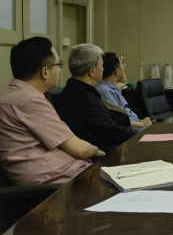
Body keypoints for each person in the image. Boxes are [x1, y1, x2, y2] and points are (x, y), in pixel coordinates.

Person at [0, 37, 103, 186]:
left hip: (65, 175)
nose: (60, 70)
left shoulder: (13, 96)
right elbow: (81, 150)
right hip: (61, 183)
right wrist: (97, 151)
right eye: (58, 65)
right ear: (45, 72)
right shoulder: (29, 101)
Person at [55, 44, 135, 152]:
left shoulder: (74, 90)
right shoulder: (85, 99)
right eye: (101, 66)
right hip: (104, 153)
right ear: (92, 71)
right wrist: (140, 133)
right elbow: (112, 132)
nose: (103, 69)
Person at [96, 52, 152, 132]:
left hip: (136, 126)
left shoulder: (109, 87)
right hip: (131, 131)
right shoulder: (105, 91)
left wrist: (119, 63)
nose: (123, 67)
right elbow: (117, 120)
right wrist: (142, 124)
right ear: (117, 71)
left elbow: (123, 82)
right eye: (122, 66)